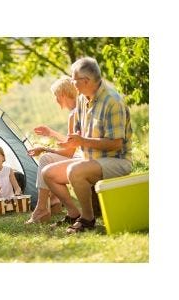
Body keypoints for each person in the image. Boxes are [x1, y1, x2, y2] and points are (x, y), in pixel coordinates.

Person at [42, 57, 132, 233]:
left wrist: (82, 141)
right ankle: (75, 213)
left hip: (117, 160)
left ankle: (88, 220)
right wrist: (69, 141)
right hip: (89, 159)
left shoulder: (113, 101)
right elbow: (78, 135)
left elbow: (115, 144)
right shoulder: (83, 99)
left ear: (86, 81)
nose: (72, 83)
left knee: (76, 171)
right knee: (48, 173)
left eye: (74, 80)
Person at [25, 76, 79, 224]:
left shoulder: (75, 114)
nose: (55, 100)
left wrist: (44, 148)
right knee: (45, 158)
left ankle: (44, 208)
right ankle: (47, 206)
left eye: (55, 96)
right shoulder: (77, 111)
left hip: (83, 158)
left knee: (45, 158)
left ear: (62, 95)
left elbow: (69, 152)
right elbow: (71, 143)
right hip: (81, 155)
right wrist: (51, 133)